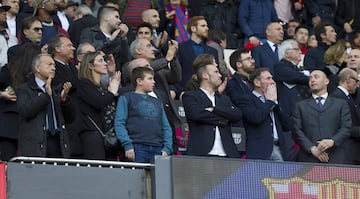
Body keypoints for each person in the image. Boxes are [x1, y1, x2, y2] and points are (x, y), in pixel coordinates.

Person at [182, 53, 242, 158]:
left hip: (227, 155)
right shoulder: (190, 96)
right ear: (205, 75)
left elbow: (237, 114)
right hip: (202, 154)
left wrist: (214, 109)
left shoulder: (224, 99)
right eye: (216, 72)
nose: (220, 75)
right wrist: (224, 119)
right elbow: (196, 114)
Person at [16, 53, 74, 157]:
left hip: (57, 141)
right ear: (37, 68)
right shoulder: (25, 89)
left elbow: (70, 119)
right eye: (49, 65)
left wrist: (64, 100)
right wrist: (46, 96)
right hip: (36, 143)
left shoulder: (57, 88)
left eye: (54, 65)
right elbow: (26, 111)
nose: (53, 68)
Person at [292, 70, 352, 164]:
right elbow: (296, 130)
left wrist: (332, 141)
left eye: (316, 77)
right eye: (310, 78)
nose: (312, 80)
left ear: (326, 81)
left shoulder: (340, 104)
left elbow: (346, 127)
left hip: (335, 156)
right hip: (309, 158)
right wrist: (311, 148)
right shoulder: (300, 106)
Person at [114, 66, 172, 163]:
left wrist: (167, 148)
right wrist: (127, 144)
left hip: (158, 148)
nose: (154, 82)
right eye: (150, 79)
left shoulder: (157, 102)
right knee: (136, 177)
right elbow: (119, 122)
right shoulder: (126, 98)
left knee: (158, 178)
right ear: (139, 81)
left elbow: (166, 127)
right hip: (136, 147)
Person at [238, 67, 293, 161]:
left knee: (279, 176)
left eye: (272, 78)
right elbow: (255, 118)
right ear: (257, 83)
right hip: (259, 150)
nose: (273, 82)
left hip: (278, 148)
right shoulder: (246, 99)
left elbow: (287, 125)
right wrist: (270, 102)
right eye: (268, 78)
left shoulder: (274, 100)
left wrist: (275, 103)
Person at [0, 43, 41, 161]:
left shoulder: (34, 76)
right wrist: (2, 95)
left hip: (25, 125)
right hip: (8, 125)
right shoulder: (8, 71)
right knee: (7, 161)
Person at [77, 51, 121, 160]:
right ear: (90, 65)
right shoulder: (84, 84)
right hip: (93, 135)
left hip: (109, 135)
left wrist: (112, 76)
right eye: (100, 61)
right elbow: (99, 102)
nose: (105, 63)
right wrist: (112, 92)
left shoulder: (104, 86)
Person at [175, 16, 218, 96]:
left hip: (209, 93)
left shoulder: (213, 51)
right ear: (193, 29)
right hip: (185, 91)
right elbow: (177, 72)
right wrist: (180, 91)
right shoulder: (180, 48)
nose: (207, 28)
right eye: (203, 26)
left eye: (207, 26)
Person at [273, 39, 310, 119]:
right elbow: (296, 77)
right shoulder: (280, 67)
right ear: (287, 53)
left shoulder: (296, 69)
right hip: (290, 115)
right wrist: (310, 77)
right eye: (296, 49)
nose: (300, 52)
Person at [331, 68, 360, 164]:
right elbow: (341, 125)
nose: (357, 84)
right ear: (348, 79)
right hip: (345, 150)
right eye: (356, 80)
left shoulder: (346, 97)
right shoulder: (338, 97)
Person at [0, 3, 17, 68]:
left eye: (4, 11)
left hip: (13, 71)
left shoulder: (11, 36)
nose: (4, 13)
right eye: (0, 11)